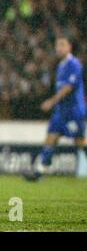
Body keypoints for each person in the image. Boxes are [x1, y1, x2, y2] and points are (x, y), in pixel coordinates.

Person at [24, 37, 86, 181]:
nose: (59, 48)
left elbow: (68, 87)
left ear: (69, 47)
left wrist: (51, 101)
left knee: (80, 142)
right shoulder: (61, 66)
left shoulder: (74, 64)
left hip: (74, 110)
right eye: (57, 45)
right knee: (50, 138)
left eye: (62, 45)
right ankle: (39, 172)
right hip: (61, 111)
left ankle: (40, 171)